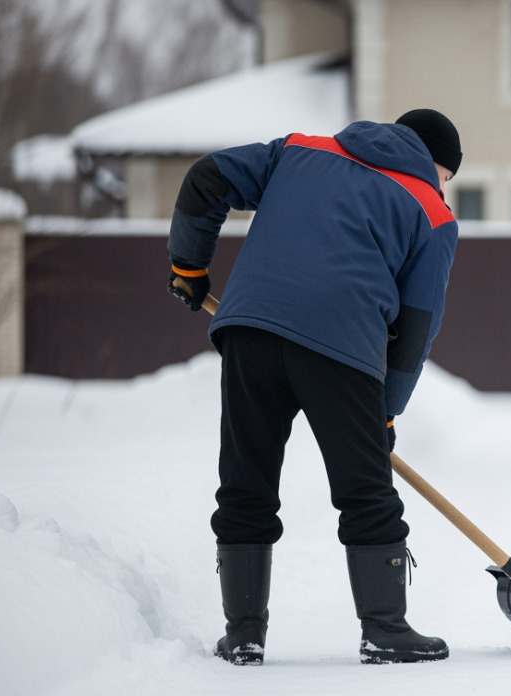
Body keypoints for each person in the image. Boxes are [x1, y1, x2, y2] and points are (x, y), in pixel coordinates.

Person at [166, 109, 462, 665]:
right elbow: (415, 329)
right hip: (342, 345)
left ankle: (243, 633)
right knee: (365, 490)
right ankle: (385, 628)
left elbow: (207, 178)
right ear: (438, 165)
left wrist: (189, 265)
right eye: (448, 176)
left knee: (246, 480)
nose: (443, 186)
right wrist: (385, 413)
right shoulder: (431, 209)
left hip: (250, 329)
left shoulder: (301, 149)